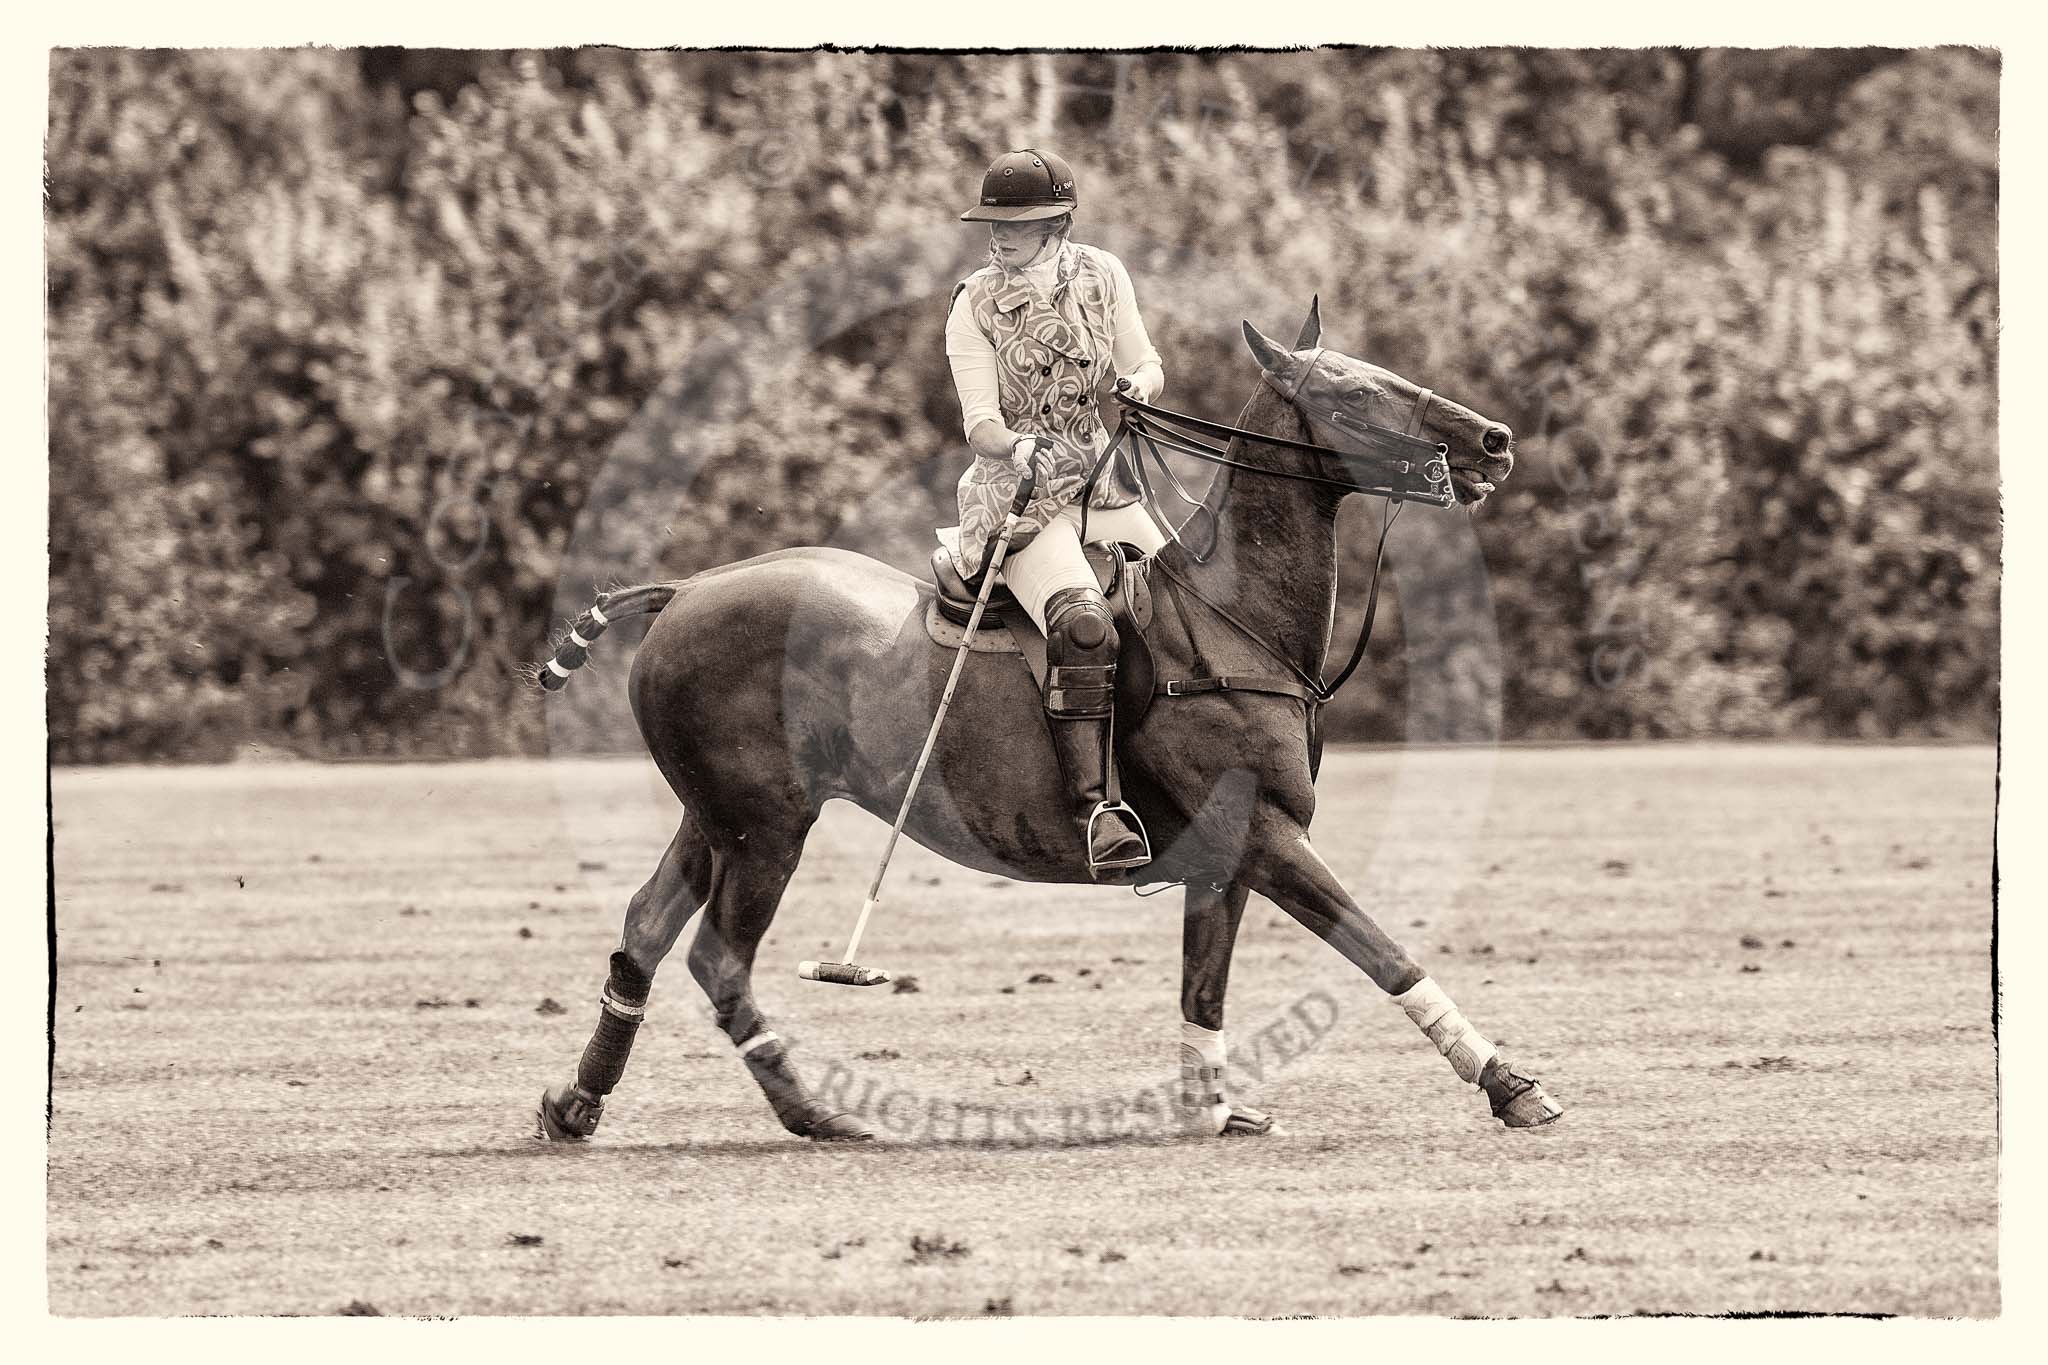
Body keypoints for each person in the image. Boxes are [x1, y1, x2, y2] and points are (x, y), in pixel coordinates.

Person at [945, 148, 1168, 877]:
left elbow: (1147, 361)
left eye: (1020, 224)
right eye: (994, 224)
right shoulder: (972, 304)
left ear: (1060, 225)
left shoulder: (1105, 276)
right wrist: (1017, 445)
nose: (999, 237)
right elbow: (978, 424)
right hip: (1020, 496)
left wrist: (1139, 383)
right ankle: (1096, 810)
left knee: (1184, 605)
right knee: (1082, 622)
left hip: (1103, 483)